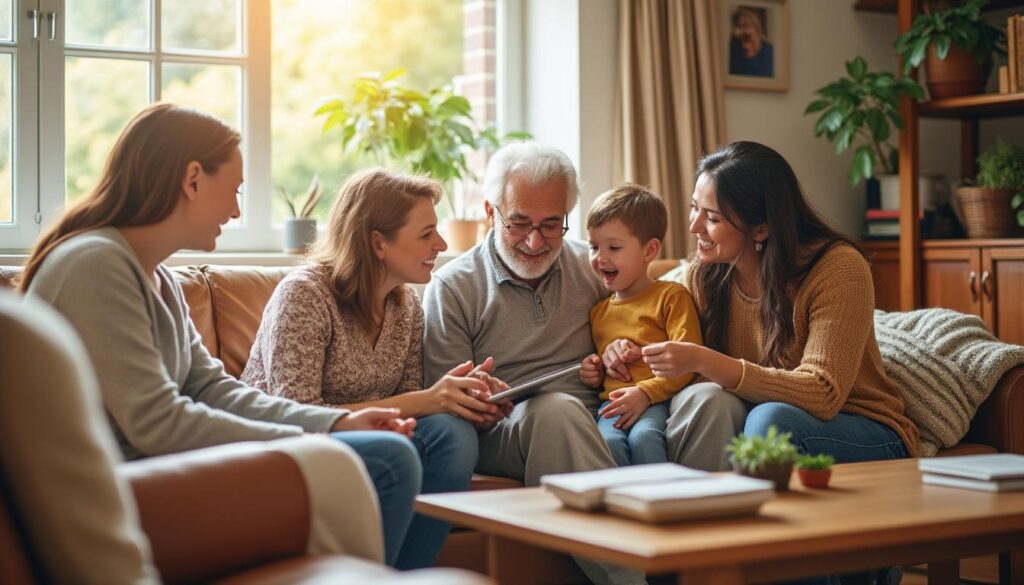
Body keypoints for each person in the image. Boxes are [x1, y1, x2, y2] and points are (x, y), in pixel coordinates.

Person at [18, 103, 424, 568]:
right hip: (111, 492)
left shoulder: (157, 277)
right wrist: (304, 440)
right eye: (233, 190)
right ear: (193, 180)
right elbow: (157, 422)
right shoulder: (95, 265)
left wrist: (332, 425)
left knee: (382, 453)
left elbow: (211, 387)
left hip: (152, 474)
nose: (235, 210)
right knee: (387, 460)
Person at [242, 168, 507, 569]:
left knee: (453, 433)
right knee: (404, 446)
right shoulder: (304, 295)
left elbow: (409, 409)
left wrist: (465, 399)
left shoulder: (407, 307)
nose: (441, 244)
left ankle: (402, 574)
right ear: (378, 243)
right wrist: (429, 399)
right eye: (426, 234)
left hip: (375, 440)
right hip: (288, 443)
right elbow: (297, 415)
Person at [605, 141, 920, 466]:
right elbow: (670, 351)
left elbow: (823, 393)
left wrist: (704, 360)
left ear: (760, 228)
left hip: (860, 425)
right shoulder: (704, 275)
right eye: (694, 207)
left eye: (712, 217)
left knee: (769, 420)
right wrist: (622, 351)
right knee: (708, 399)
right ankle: (696, 496)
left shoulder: (837, 268)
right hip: (759, 413)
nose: (694, 226)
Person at [422, 141, 646, 585]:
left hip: (598, 414)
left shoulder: (593, 267)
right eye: (520, 222)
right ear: (491, 211)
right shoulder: (453, 287)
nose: (534, 241)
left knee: (702, 401)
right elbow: (446, 403)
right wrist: (476, 397)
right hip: (506, 430)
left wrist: (624, 358)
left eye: (551, 225)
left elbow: (643, 325)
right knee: (557, 412)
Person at [580, 185, 702, 467]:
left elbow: (690, 362)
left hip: (656, 400)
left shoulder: (671, 296)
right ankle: (619, 495)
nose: (600, 257)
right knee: (607, 442)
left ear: (649, 250)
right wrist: (592, 370)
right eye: (594, 247)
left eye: (614, 248)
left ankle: (657, 493)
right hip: (612, 403)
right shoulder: (598, 312)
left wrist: (645, 392)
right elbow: (604, 371)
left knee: (644, 437)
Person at [729, 7, 774, 78]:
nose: (744, 45)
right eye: (739, 39)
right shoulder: (734, 51)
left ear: (757, 30)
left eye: (745, 26)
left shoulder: (769, 51)